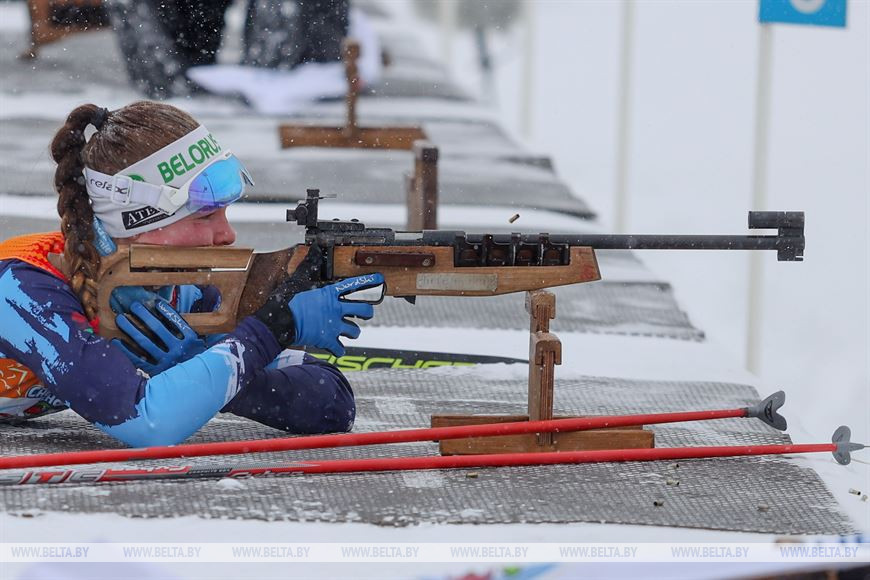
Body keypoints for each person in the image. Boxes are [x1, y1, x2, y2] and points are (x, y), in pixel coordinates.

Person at [0, 101, 383, 447]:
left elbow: (332, 404)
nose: (227, 234)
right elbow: (146, 423)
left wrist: (209, 367)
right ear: (138, 220)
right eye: (205, 216)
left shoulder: (176, 288)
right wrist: (273, 328)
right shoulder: (19, 288)